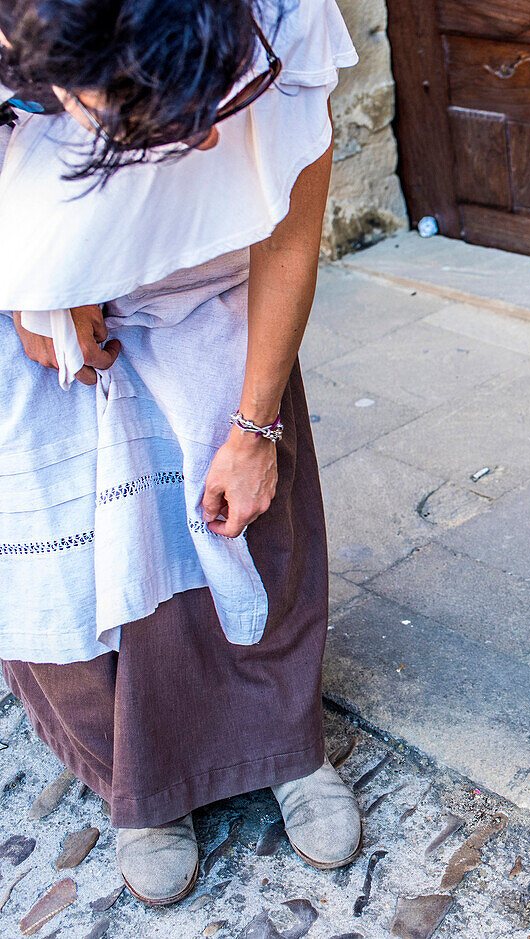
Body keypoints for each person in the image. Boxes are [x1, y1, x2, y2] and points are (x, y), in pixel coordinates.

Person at [0, 0, 362, 906]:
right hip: (52, 303)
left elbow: (290, 218)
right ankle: (140, 785)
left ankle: (280, 741)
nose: (201, 147)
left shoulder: (285, 15)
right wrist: (29, 292)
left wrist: (256, 425)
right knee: (76, 562)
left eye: (212, 108)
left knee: (241, 522)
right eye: (150, 123)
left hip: (215, 292)